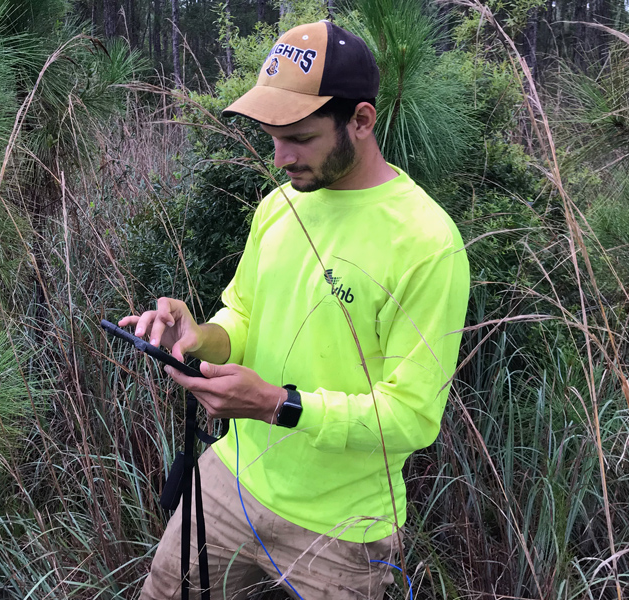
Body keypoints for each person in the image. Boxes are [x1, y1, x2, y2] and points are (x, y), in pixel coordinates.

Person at [121, 20, 470, 600]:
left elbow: (411, 417)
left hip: (344, 531)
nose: (280, 157)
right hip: (230, 483)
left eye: (301, 138)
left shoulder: (426, 242)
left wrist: (276, 405)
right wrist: (197, 336)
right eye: (272, 135)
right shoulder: (278, 208)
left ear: (361, 120)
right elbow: (245, 317)